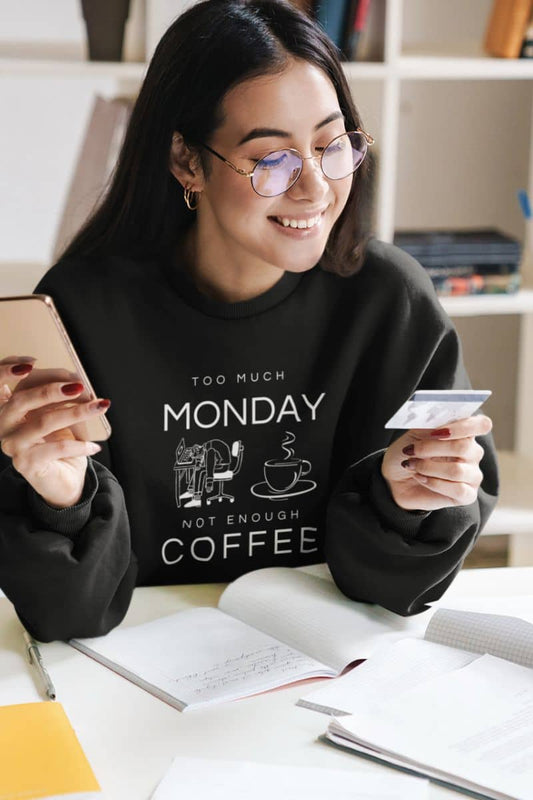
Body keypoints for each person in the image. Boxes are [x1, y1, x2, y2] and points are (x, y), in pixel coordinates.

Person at [0, 0, 497, 642]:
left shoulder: (393, 298)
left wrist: (413, 496)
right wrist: (59, 497)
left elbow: (395, 597)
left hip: (330, 667)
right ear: (186, 160)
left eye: (331, 144)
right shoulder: (84, 305)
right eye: (273, 160)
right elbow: (70, 615)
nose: (315, 188)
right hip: (138, 671)